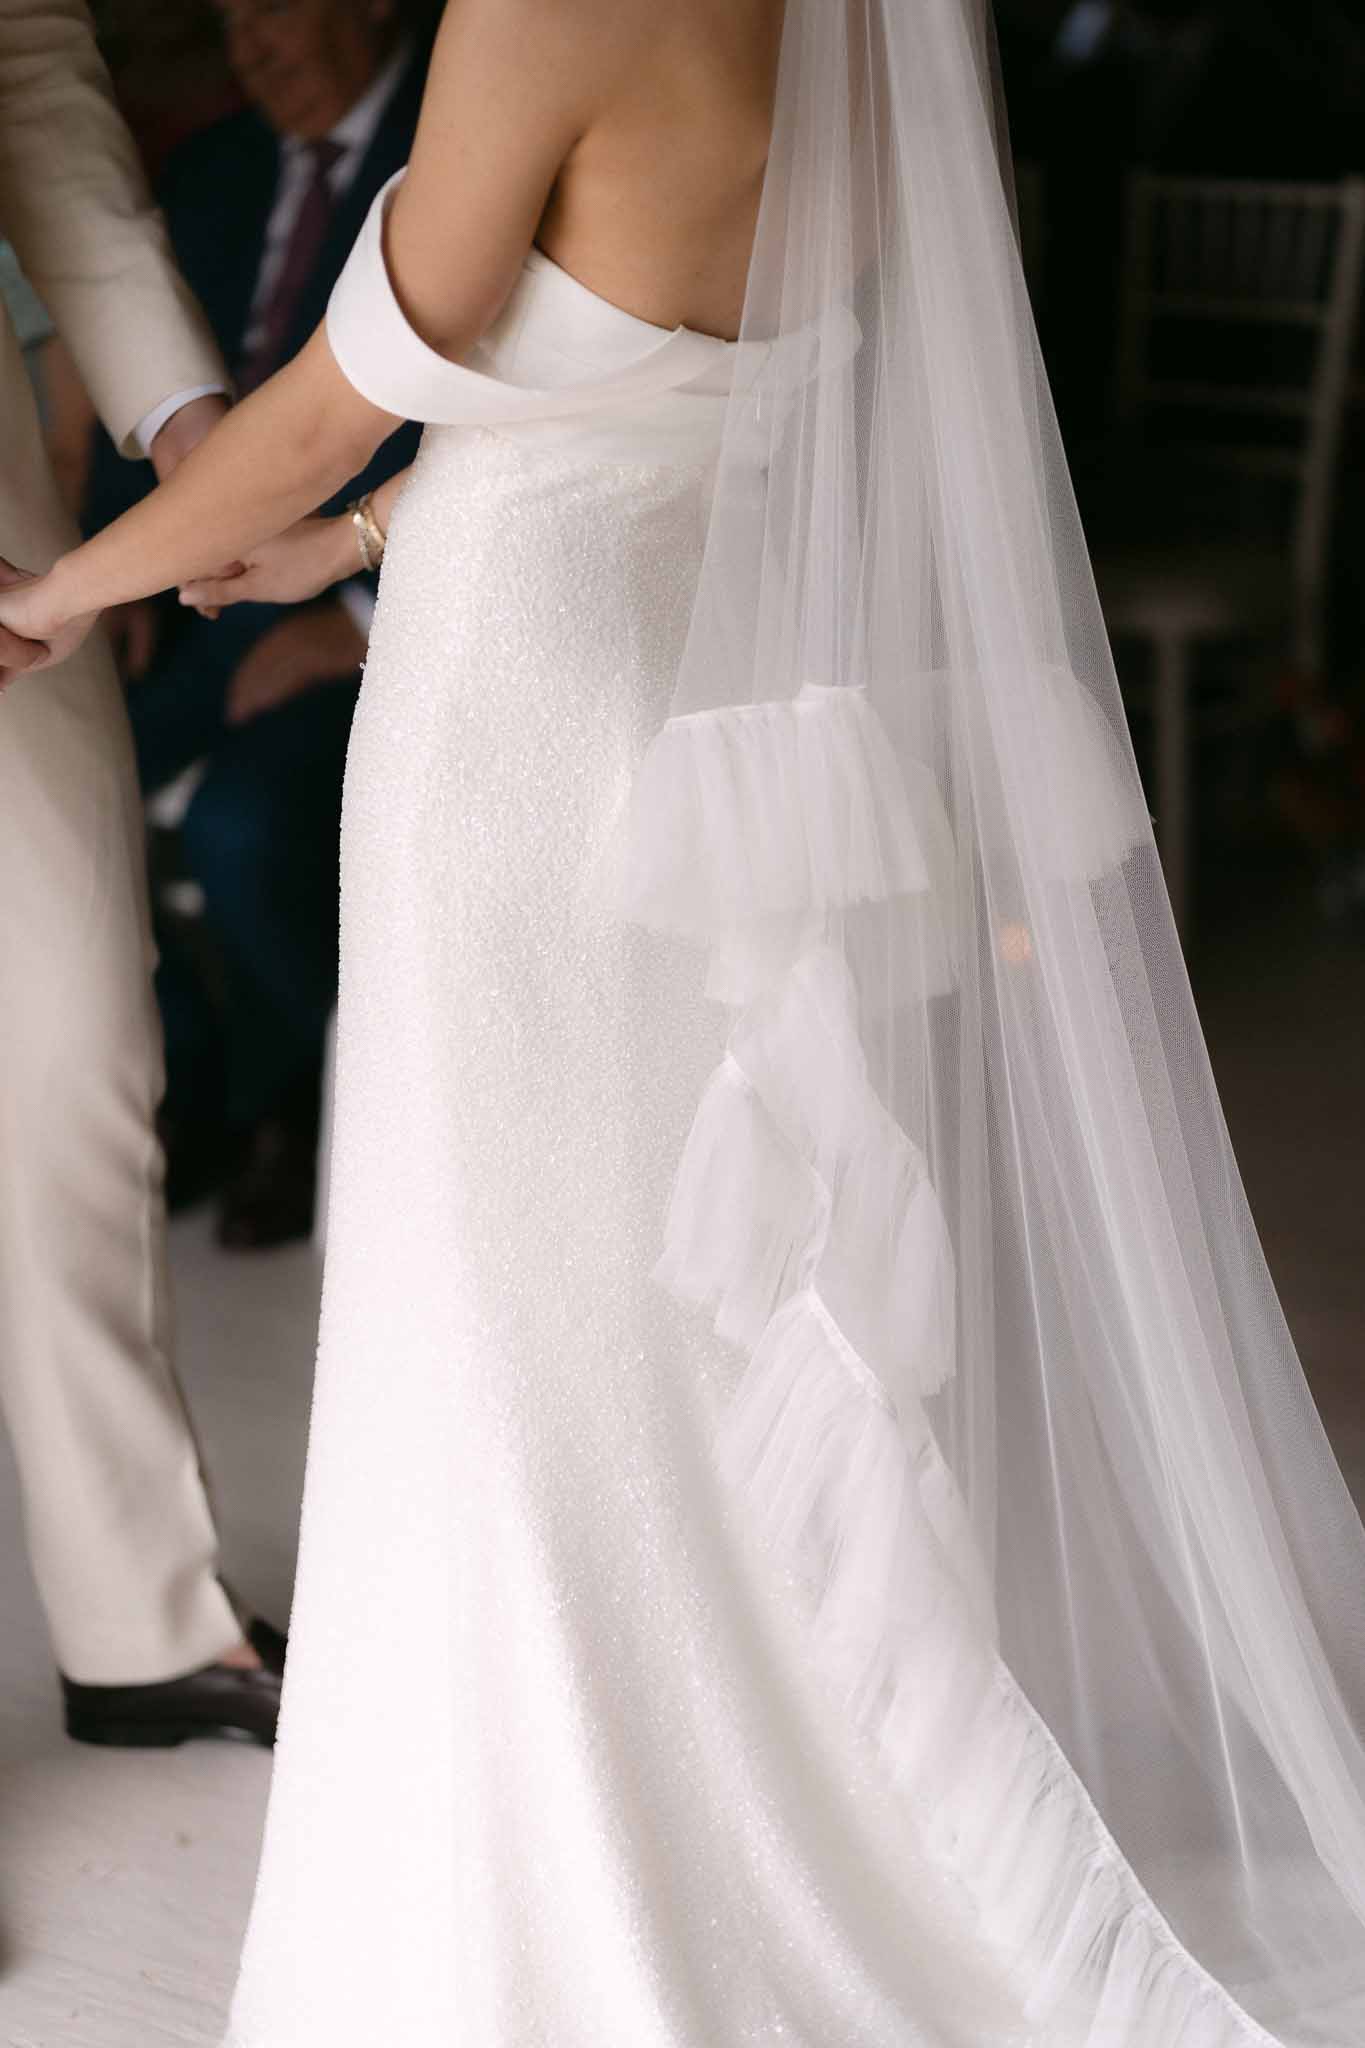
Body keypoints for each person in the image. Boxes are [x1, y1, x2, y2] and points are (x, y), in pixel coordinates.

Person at [5, 0, 1365, 2041]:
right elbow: (648, 383)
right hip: (664, 693)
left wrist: (54, 595)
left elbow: (333, 404)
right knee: (627, 1321)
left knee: (492, 1320)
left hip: (511, 727)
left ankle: (529, 1893)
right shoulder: (872, 31)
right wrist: (350, 540)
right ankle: (710, 1809)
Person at [0, 0, 282, 1745]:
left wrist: (186, 423)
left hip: (13, 568)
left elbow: (32, 78)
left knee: (82, 1055)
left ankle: (141, 1624)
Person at [69, 0, 426, 1247]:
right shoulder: (217, 168)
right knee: (68, 794)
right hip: (197, 596)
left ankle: (305, 1105)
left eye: (275, 7)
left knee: (243, 827)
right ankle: (197, 1076)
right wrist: (117, 573)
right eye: (230, 21)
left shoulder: (455, 142)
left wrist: (360, 615)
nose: (251, 49)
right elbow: (139, 400)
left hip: (382, 599)